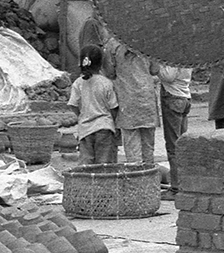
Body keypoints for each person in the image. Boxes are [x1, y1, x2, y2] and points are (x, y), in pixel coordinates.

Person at [103, 38, 160, 166]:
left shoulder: (113, 45)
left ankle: (135, 181)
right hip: (147, 100)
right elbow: (155, 70)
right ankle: (149, 178)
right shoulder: (148, 43)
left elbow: (109, 73)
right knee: (148, 147)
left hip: (127, 100)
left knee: (132, 148)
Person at [67, 44, 118, 164]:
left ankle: (88, 183)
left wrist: (82, 115)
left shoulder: (78, 83)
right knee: (104, 164)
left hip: (85, 129)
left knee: (86, 163)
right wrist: (114, 123)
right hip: (104, 127)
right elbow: (113, 107)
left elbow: (73, 104)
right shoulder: (106, 83)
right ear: (101, 63)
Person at [156, 63, 193, 195]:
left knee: (173, 146)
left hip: (173, 96)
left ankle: (176, 187)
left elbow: (169, 76)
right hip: (185, 96)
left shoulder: (173, 57)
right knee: (182, 144)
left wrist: (157, 67)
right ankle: (184, 184)